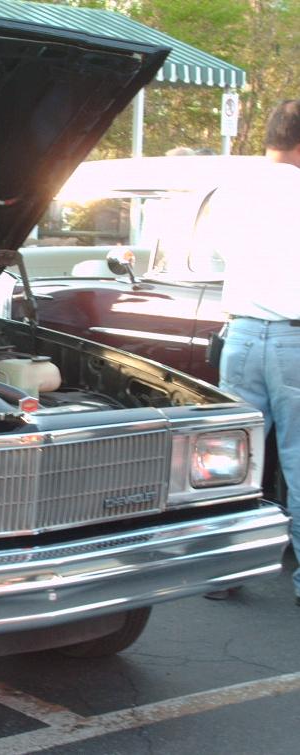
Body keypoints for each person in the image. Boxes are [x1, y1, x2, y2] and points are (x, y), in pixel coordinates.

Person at [212, 100, 300, 604]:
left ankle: (225, 574)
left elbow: (222, 253)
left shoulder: (233, 192)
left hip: (241, 334)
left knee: (231, 458)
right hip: (294, 337)